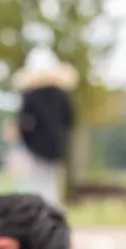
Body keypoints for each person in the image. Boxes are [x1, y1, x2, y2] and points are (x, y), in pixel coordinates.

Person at [13, 51, 78, 206]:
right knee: (51, 185)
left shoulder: (31, 96)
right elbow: (71, 120)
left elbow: (25, 123)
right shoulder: (62, 96)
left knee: (37, 185)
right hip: (56, 147)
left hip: (34, 148)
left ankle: (38, 213)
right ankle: (52, 213)